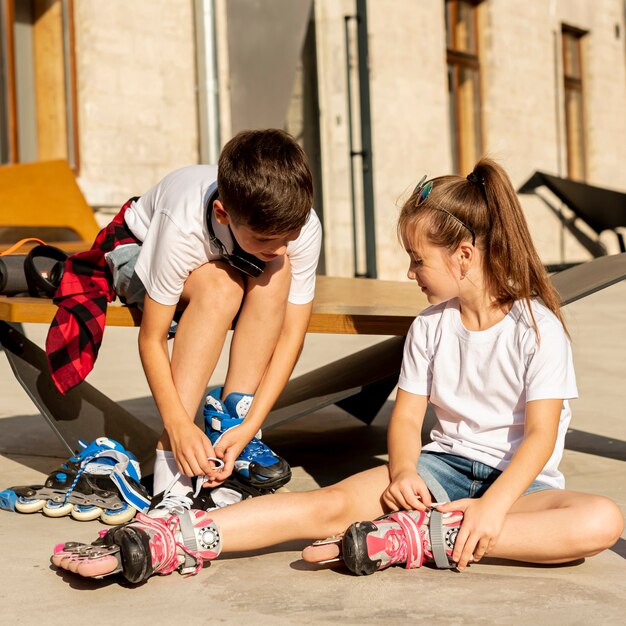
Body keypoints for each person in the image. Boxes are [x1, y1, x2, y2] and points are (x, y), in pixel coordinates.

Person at [51, 158, 623, 582]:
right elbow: (406, 420)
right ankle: (172, 538)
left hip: (522, 487)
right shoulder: (430, 326)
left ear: (464, 257)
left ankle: (415, 540)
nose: (409, 272)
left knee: (597, 521)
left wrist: (493, 507)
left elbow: (542, 436)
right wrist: (403, 473)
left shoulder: (536, 327)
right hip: (441, 469)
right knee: (323, 506)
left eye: (417, 260)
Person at [46, 129, 322, 504]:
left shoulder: (296, 226)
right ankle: (171, 464)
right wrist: (177, 425)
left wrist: (253, 423)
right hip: (139, 245)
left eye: (288, 236)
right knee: (219, 288)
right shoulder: (182, 226)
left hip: (226, 254)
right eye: (264, 240)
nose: (277, 248)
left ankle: (232, 419)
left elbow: (292, 334)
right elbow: (152, 338)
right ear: (223, 213)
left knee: (277, 271)